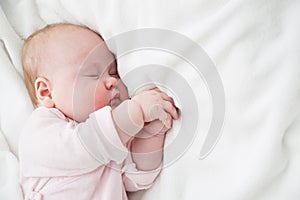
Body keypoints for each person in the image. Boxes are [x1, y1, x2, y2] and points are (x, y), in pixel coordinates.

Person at [19, 23, 179, 200]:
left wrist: (151, 132)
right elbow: (85, 145)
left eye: (113, 72)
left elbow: (136, 178)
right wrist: (137, 111)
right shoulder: (40, 132)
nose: (112, 81)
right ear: (46, 92)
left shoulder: (111, 138)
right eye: (93, 74)